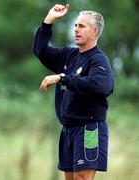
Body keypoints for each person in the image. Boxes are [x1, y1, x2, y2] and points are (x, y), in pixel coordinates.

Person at [33, 4, 114, 180]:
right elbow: (40, 51)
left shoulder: (98, 59)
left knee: (81, 178)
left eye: (82, 26)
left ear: (95, 31)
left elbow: (100, 85)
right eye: (76, 25)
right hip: (68, 129)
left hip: (89, 128)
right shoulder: (69, 55)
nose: (76, 29)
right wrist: (48, 21)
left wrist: (62, 78)